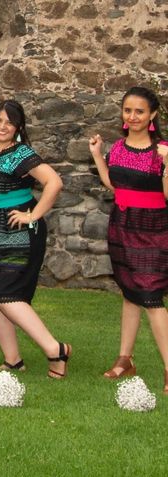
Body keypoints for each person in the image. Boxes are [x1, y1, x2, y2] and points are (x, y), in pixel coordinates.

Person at [0, 90, 71, 378]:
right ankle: (13, 360)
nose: (2, 126)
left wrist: (33, 215)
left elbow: (54, 183)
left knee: (5, 294)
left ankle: (55, 350)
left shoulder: (22, 154)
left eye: (9, 122)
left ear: (18, 127)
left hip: (18, 231)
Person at [89, 86, 168, 394]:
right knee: (129, 291)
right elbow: (113, 185)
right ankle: (125, 360)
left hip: (154, 230)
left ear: (152, 115)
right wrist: (98, 156)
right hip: (121, 226)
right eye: (127, 110)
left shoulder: (162, 149)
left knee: (151, 297)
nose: (132, 116)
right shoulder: (119, 148)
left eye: (139, 111)